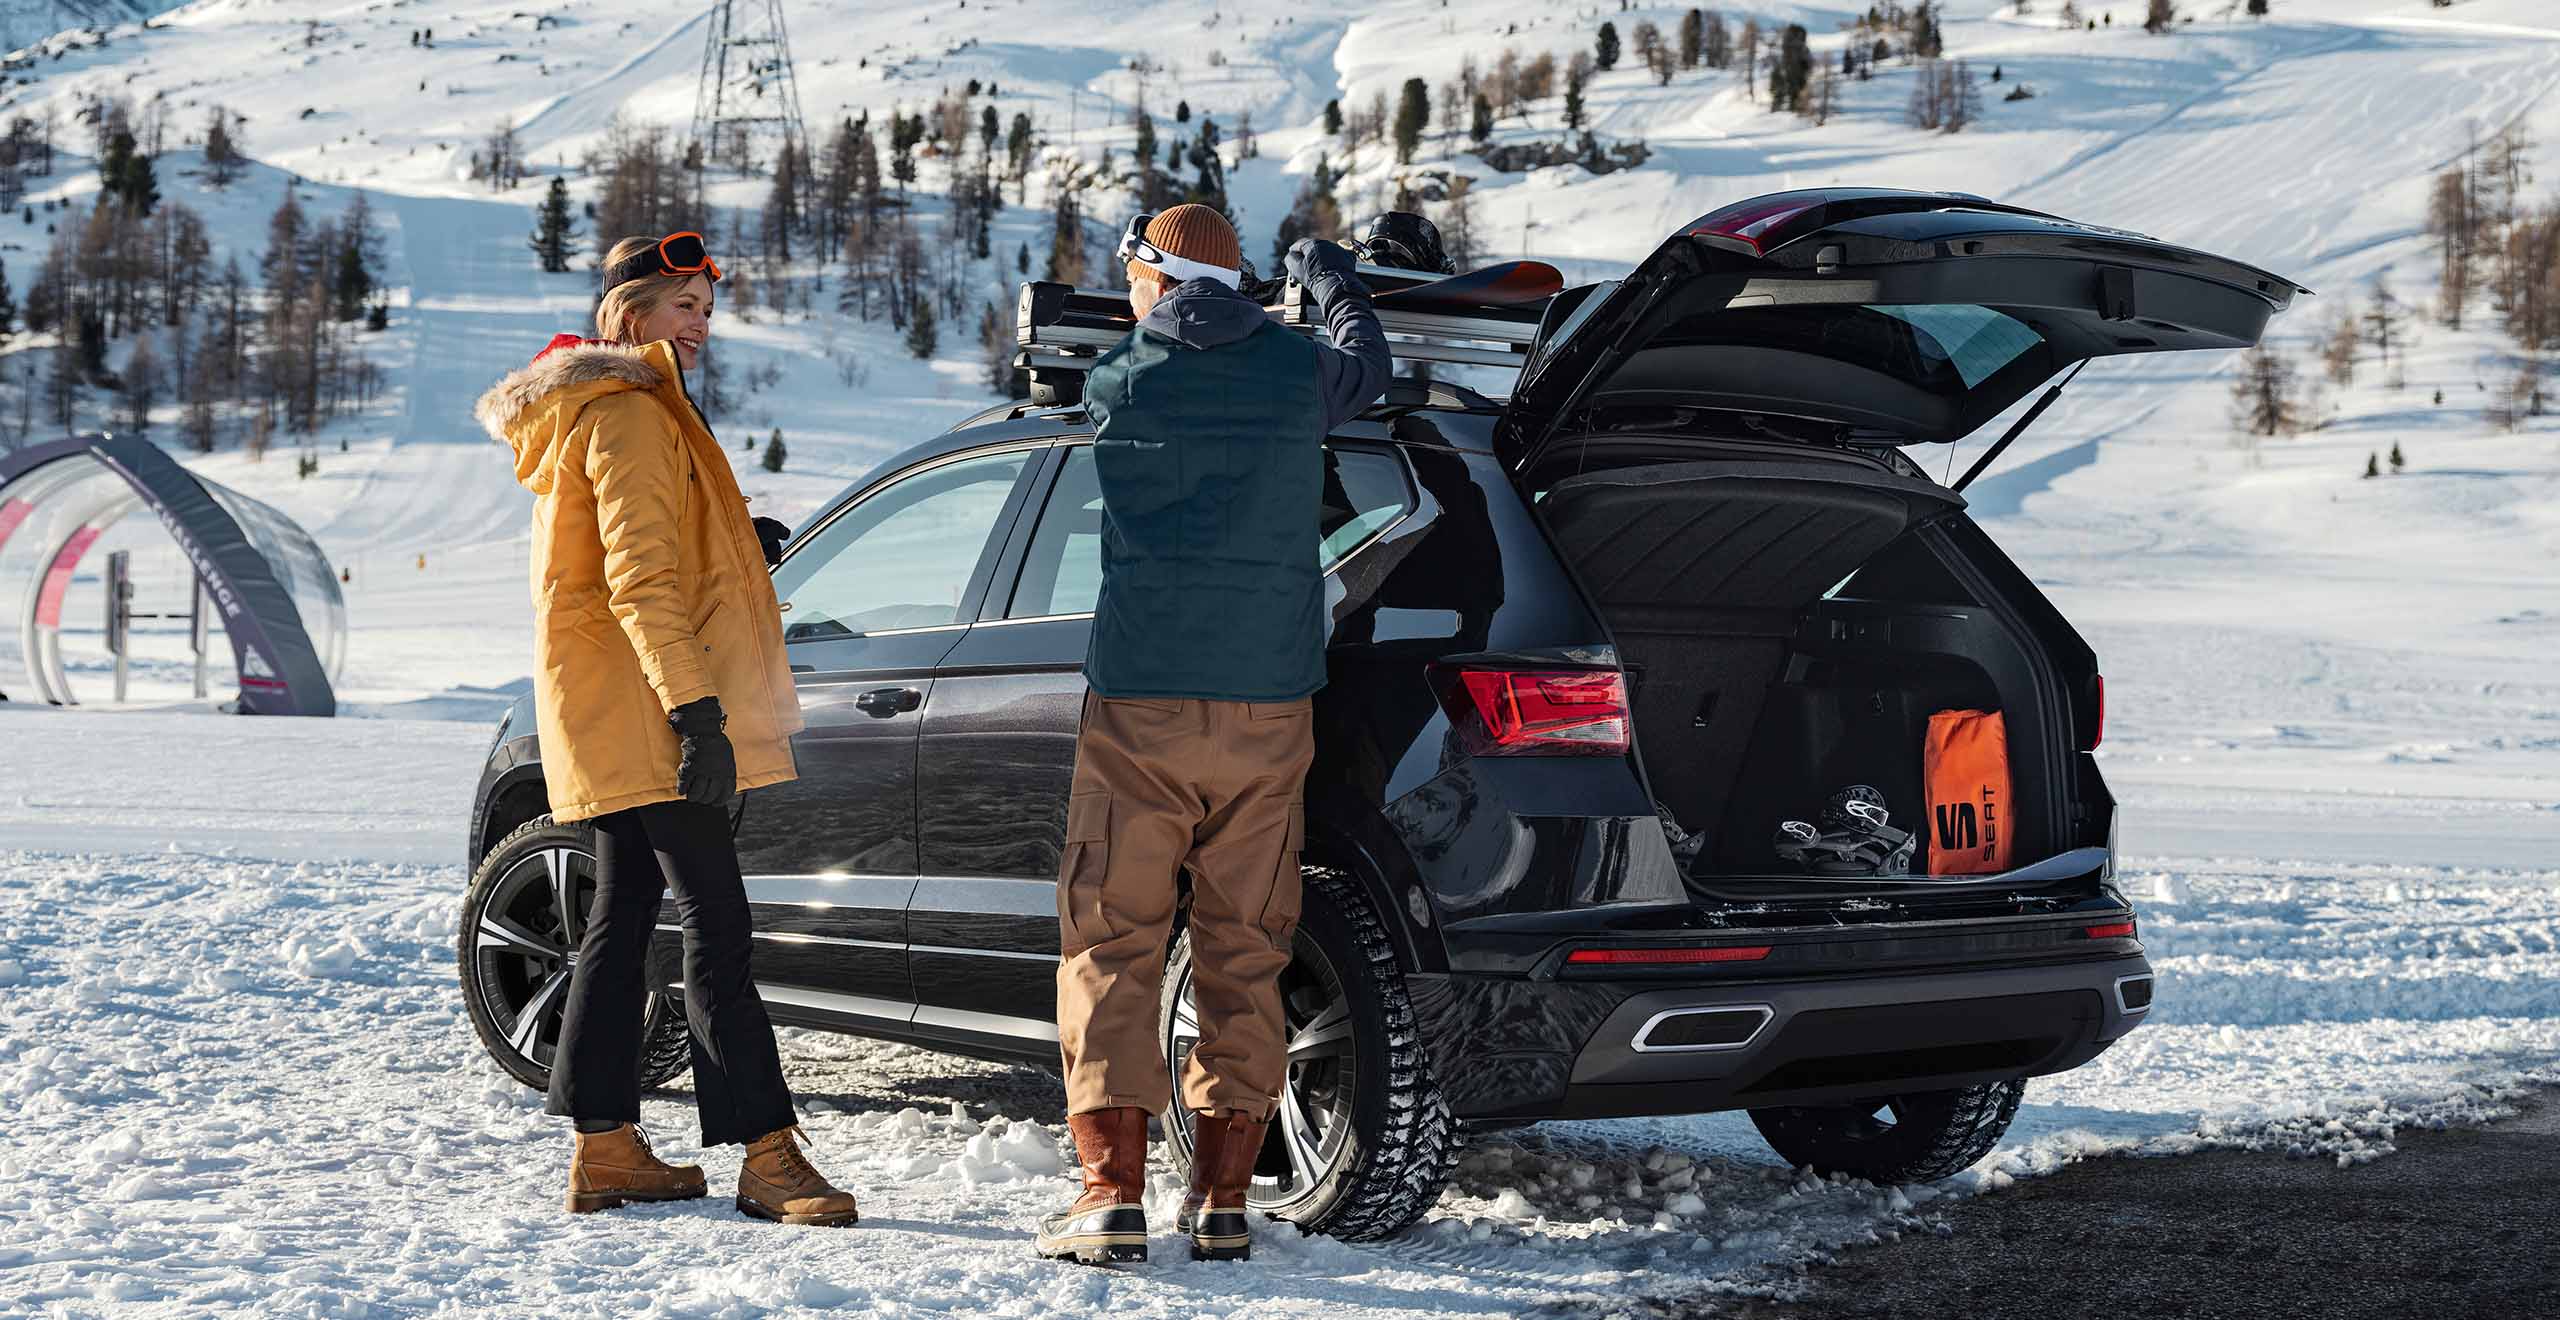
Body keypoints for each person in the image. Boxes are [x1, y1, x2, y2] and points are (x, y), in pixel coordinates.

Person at [474, 232, 856, 1226]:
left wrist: (741, 546)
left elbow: (653, 563)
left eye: (706, 310)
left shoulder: (607, 414)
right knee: (716, 927)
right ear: (628, 315)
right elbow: (641, 586)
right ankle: (768, 1157)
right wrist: (698, 717)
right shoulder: (634, 417)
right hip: (652, 715)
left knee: (624, 914)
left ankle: (605, 1147)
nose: (700, 327)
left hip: (612, 709)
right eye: (683, 306)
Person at [1035, 206, 1389, 1266]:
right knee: (1246, 943)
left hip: (1140, 699)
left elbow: (1081, 385)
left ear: (1154, 275)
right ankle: (1224, 1201)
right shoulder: (1298, 374)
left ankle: (1107, 1200)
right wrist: (1328, 277)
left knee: (1111, 940)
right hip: (1270, 702)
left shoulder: (1118, 378)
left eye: (1132, 272)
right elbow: (1365, 366)